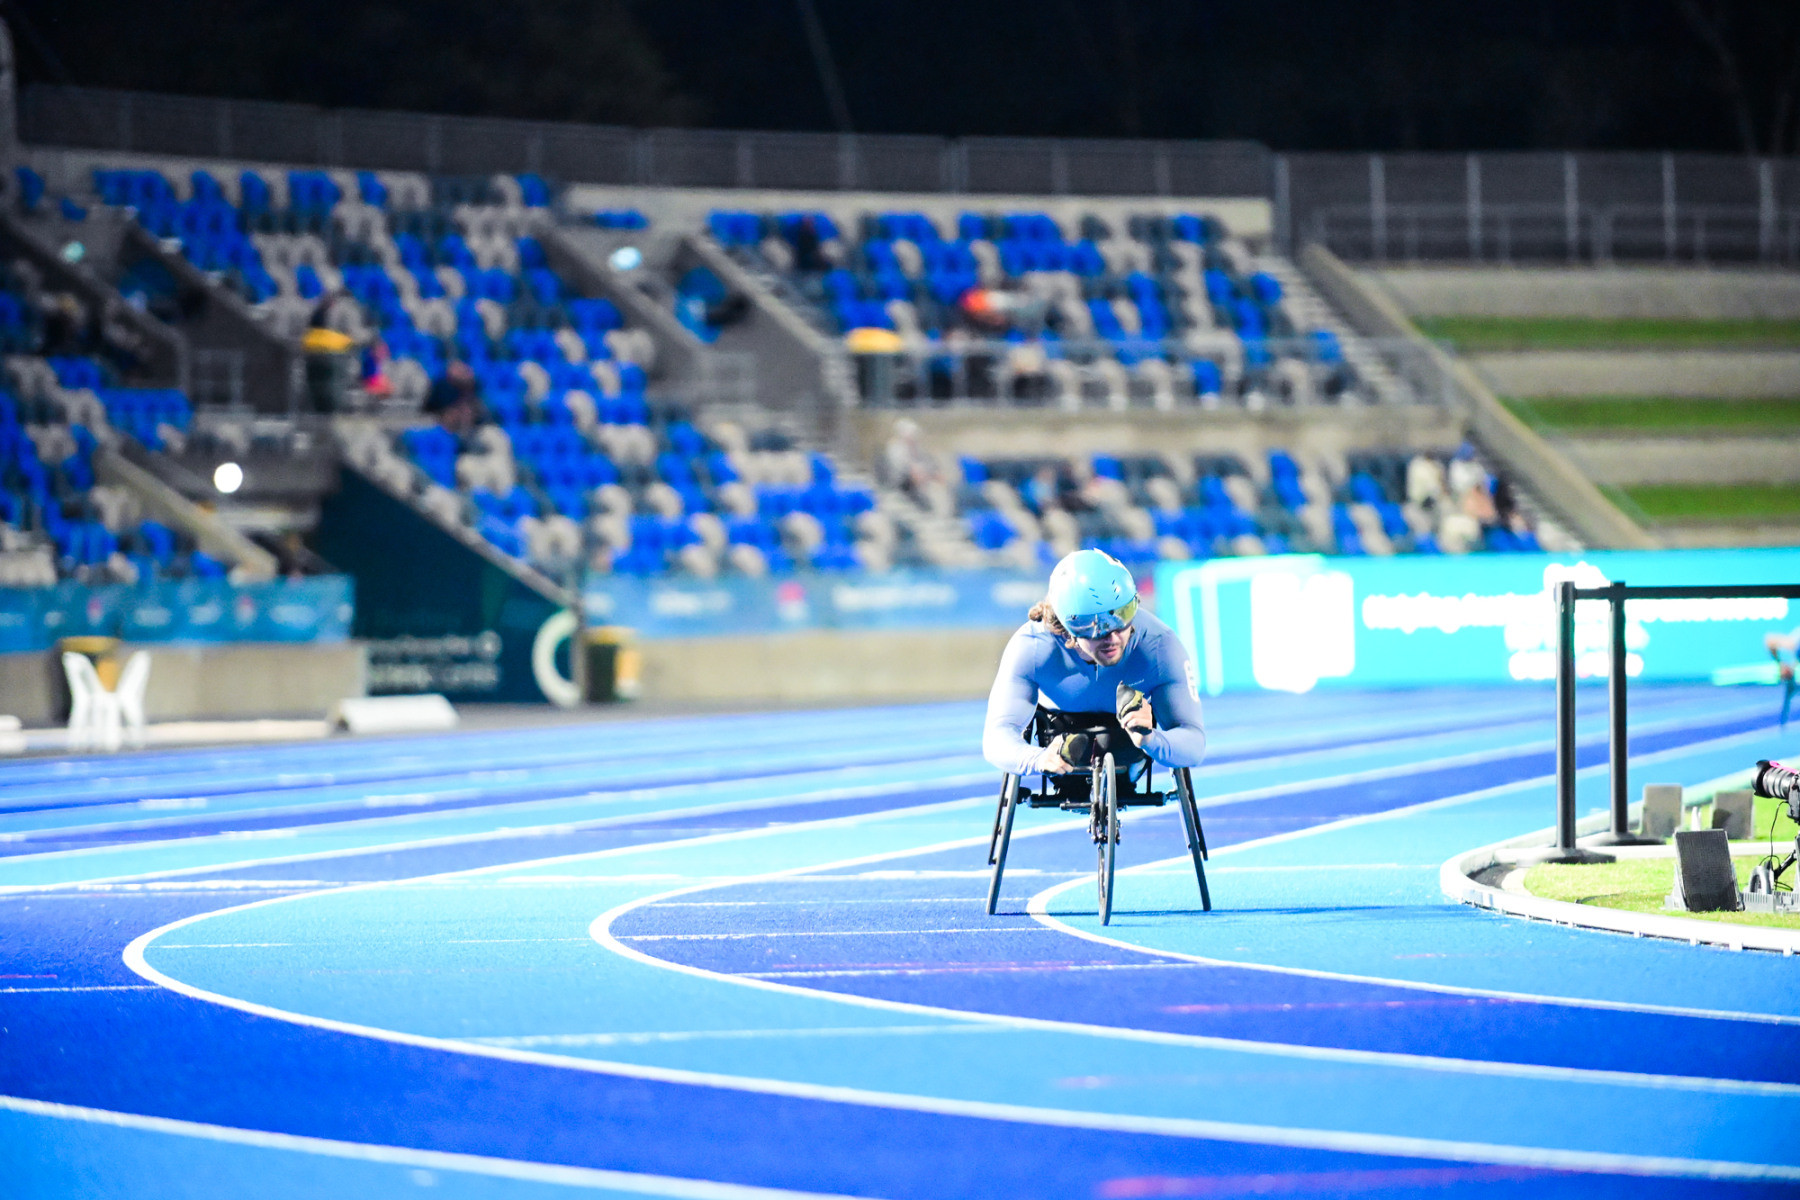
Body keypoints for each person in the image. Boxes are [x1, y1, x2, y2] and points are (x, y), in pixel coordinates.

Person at [984, 548, 1206, 782]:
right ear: (1067, 626)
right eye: (1096, 625)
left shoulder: (1160, 646)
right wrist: (1037, 758)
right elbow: (997, 736)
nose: (1113, 637)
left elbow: (1194, 743)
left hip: (1130, 744)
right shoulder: (1032, 647)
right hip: (1058, 739)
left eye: (1122, 615)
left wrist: (1151, 739)